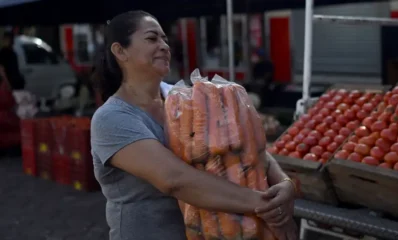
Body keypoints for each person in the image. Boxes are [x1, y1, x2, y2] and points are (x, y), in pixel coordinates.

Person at [90, 10, 297, 240]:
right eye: (152, 38)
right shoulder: (112, 118)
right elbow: (173, 179)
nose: (164, 46)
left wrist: (284, 184)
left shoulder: (185, 99)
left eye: (165, 39)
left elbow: (247, 146)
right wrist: (263, 203)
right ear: (120, 51)